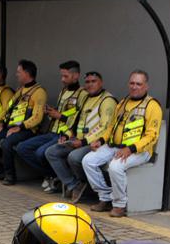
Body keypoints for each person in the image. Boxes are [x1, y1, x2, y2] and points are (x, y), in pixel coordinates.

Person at [81, 70, 163, 217]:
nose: (134, 86)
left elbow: (152, 136)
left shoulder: (152, 106)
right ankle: (105, 197)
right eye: (132, 83)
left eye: (139, 84)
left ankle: (119, 204)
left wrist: (130, 149)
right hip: (115, 146)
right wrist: (100, 141)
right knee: (88, 160)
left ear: (146, 86)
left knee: (115, 166)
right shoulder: (123, 103)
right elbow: (111, 127)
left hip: (139, 151)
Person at [44, 72, 117, 202]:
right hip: (78, 140)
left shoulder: (107, 100)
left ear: (101, 83)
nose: (90, 84)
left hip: (95, 143)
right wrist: (67, 135)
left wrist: (83, 142)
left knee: (74, 157)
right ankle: (75, 184)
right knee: (51, 152)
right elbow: (75, 121)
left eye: (93, 81)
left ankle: (87, 187)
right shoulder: (85, 98)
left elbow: (105, 127)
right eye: (87, 82)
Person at [14, 60, 85, 190]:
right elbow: (60, 112)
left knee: (41, 152)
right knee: (22, 148)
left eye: (65, 76)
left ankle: (59, 178)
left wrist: (60, 116)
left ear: (76, 76)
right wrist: (51, 112)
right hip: (51, 131)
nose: (62, 79)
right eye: (61, 76)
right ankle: (52, 175)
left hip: (65, 135)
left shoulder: (82, 94)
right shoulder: (63, 91)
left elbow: (80, 119)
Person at [0, 59, 46, 183]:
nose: (16, 74)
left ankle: (10, 175)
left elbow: (37, 117)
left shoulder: (39, 92)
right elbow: (8, 109)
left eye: (19, 72)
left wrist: (20, 127)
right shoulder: (20, 91)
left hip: (27, 130)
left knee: (7, 143)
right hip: (10, 127)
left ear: (27, 73)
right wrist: (1, 123)